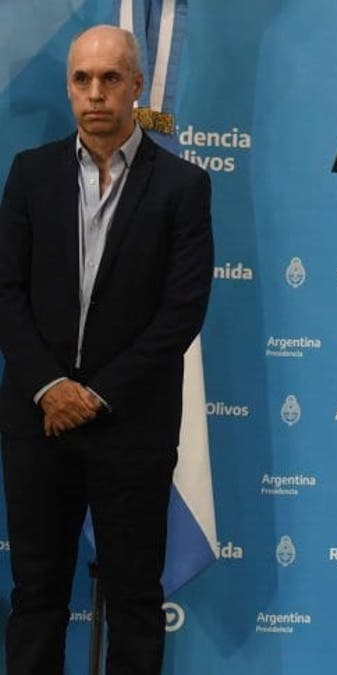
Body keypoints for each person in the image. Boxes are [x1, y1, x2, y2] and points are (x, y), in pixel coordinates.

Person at [0, 25, 213, 674]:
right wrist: (50, 387)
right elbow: (6, 291)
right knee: (35, 597)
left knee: (134, 603)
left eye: (110, 79)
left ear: (136, 86)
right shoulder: (29, 174)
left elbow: (182, 312)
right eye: (82, 80)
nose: (95, 94)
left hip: (131, 427)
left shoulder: (182, 186)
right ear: (69, 88)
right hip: (39, 422)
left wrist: (93, 394)